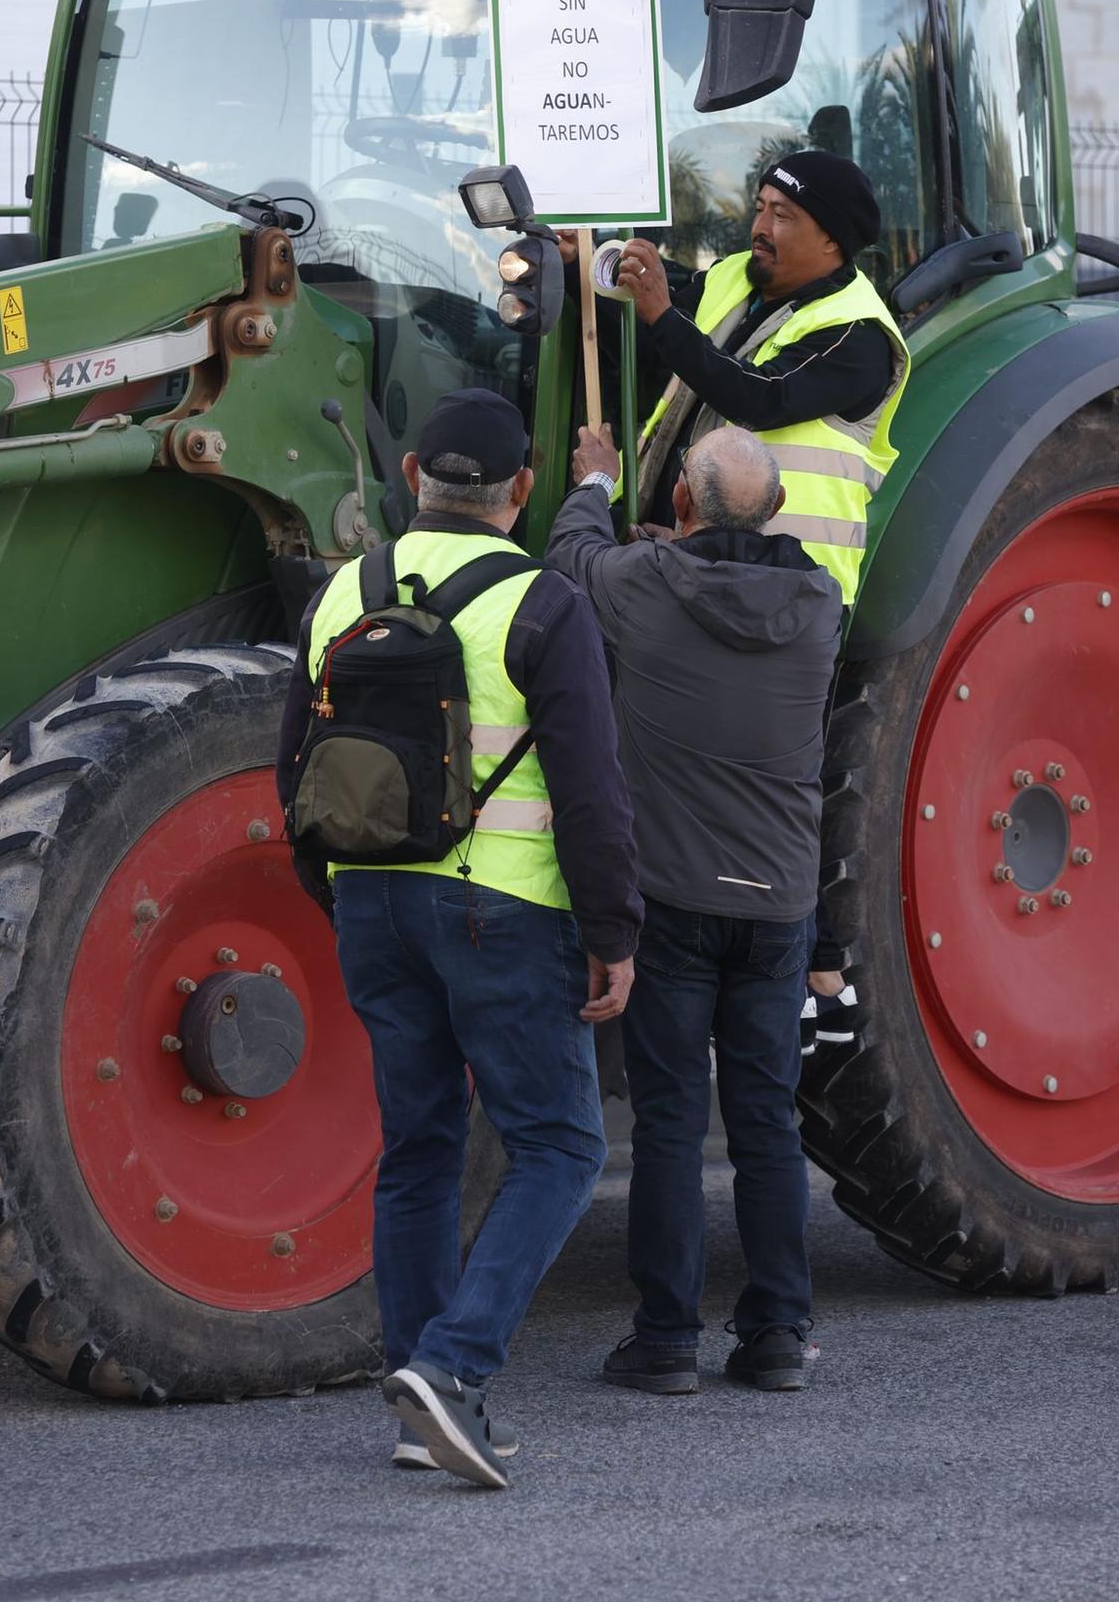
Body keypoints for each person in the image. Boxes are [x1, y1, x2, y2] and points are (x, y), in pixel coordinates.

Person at [276, 388, 641, 1490]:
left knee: (422, 1145)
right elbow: (588, 788)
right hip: (499, 909)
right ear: (521, 489)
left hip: (373, 905)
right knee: (561, 1144)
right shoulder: (542, 600)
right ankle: (452, 1362)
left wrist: (338, 891)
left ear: (410, 482)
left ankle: (415, 1394)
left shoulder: (343, 589)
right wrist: (613, 928)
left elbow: (291, 766)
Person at [546, 420, 843, 1395]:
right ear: (780, 509)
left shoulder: (643, 584)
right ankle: (774, 1334)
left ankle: (666, 1337)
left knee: (669, 1121)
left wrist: (592, 481)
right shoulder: (816, 603)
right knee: (764, 1120)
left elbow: (570, 561)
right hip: (778, 904)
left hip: (669, 895)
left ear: (679, 502)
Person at [616, 149, 910, 608]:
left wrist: (663, 315)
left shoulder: (857, 335)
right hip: (693, 559)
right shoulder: (736, 277)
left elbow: (761, 397)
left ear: (831, 240)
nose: (760, 229)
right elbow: (662, 299)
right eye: (759, 209)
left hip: (786, 597)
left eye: (782, 215)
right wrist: (586, 263)